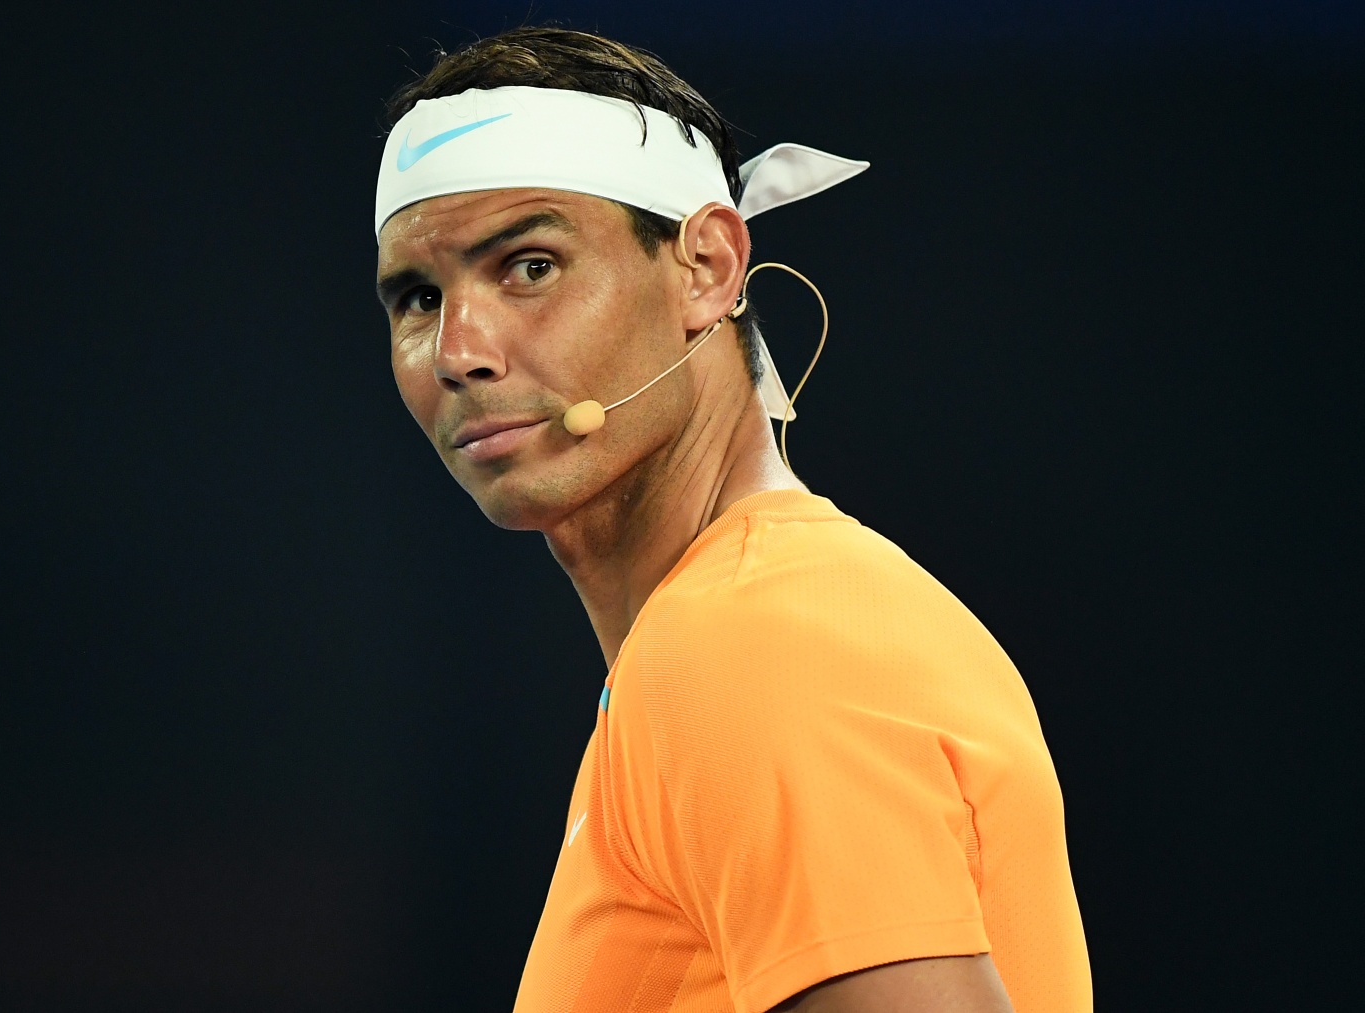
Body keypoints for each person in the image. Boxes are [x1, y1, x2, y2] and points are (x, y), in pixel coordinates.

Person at [372, 27, 1090, 1013]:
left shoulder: (754, 640)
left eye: (530, 266)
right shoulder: (738, 628)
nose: (459, 350)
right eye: (418, 296)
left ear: (706, 266)